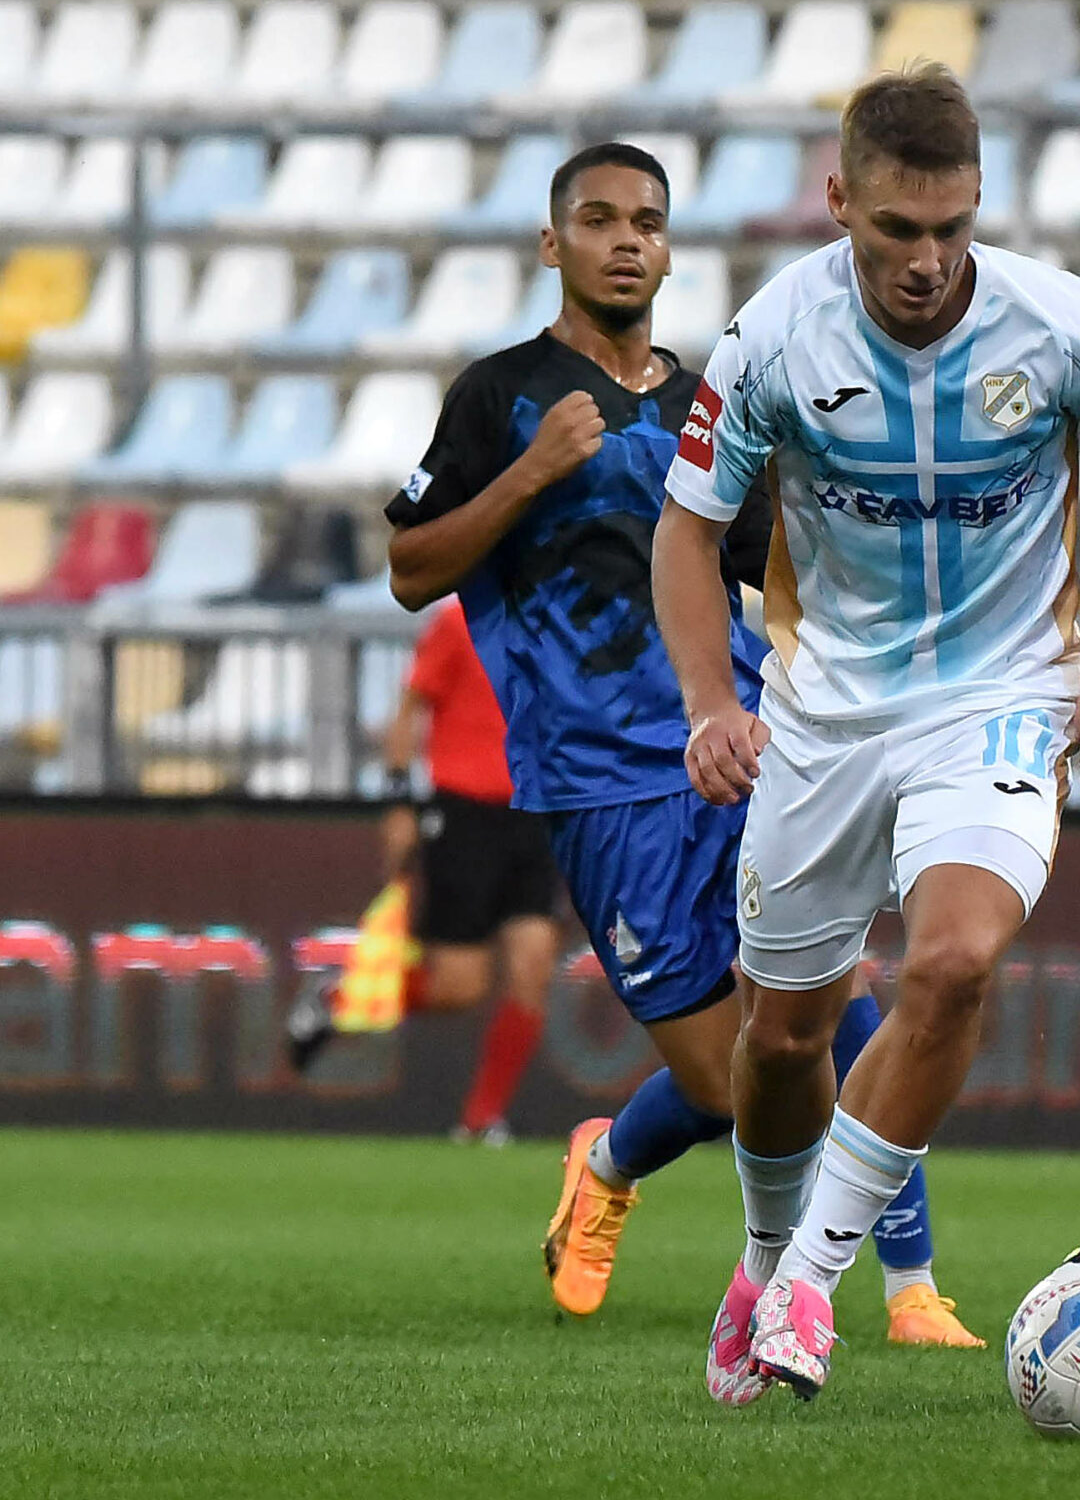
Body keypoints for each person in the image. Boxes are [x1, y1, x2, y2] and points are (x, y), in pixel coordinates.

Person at [656, 62, 1080, 1406]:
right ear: (839, 200)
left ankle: (808, 1288)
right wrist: (708, 706)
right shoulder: (773, 338)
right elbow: (683, 526)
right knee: (779, 1037)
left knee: (955, 961)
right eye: (898, 229)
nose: (927, 258)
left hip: (1001, 692)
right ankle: (763, 1254)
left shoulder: (1067, 324)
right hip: (827, 707)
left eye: (952, 227)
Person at [384, 140, 974, 1349]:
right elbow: (409, 568)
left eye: (645, 221)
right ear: (554, 244)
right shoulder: (497, 395)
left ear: (667, 245)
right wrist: (530, 473)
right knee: (731, 1083)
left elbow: (773, 559)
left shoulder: (710, 397)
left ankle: (910, 1285)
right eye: (596, 219)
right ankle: (610, 1158)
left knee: (834, 993)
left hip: (743, 739)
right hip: (599, 778)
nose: (623, 239)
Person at [384, 594, 560, 1144]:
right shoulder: (459, 620)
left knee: (533, 967)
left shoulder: (558, 622)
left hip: (535, 814)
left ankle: (482, 1117)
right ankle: (351, 1000)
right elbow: (412, 704)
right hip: (465, 813)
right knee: (458, 987)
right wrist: (398, 800)